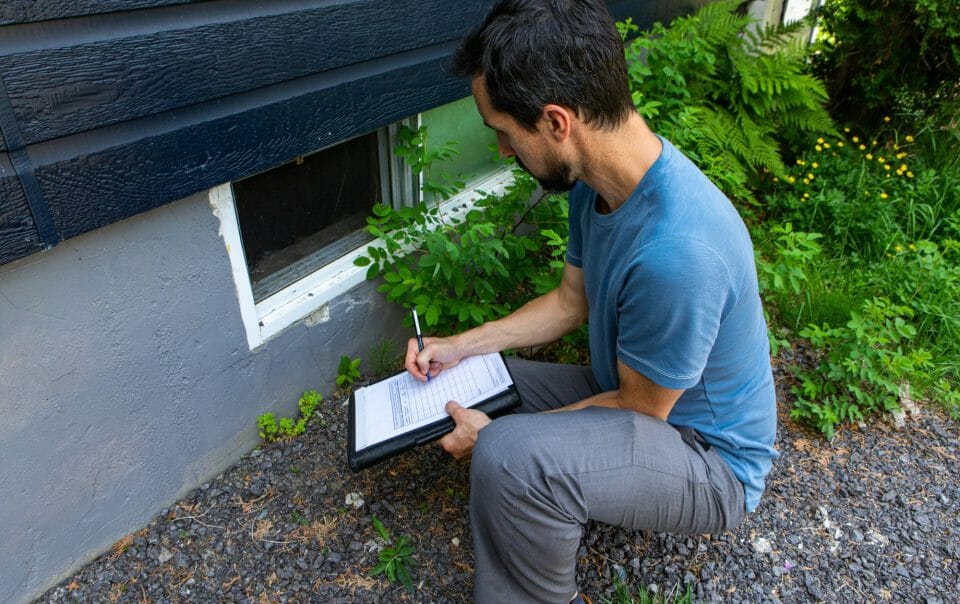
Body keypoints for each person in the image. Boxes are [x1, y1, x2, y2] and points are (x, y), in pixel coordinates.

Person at [404, 1, 779, 602]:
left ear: (557, 122)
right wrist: (457, 346)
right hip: (641, 402)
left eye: (503, 131)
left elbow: (642, 409)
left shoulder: (678, 251)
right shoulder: (597, 186)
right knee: (481, 376)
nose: (502, 151)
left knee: (507, 455)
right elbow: (568, 303)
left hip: (708, 463)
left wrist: (497, 437)